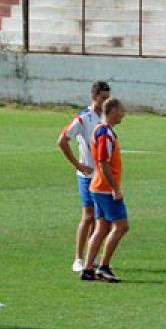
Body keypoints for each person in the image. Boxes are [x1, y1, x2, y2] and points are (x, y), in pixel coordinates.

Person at [58, 81, 111, 272]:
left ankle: (91, 257)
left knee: (102, 219)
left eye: (108, 99)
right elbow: (62, 140)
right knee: (88, 216)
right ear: (94, 96)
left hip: (102, 175)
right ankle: (78, 258)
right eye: (103, 98)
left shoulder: (106, 118)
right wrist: (77, 164)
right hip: (87, 176)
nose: (106, 102)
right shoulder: (83, 117)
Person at [81, 98, 129, 283]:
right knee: (122, 227)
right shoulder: (104, 133)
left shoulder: (103, 131)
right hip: (105, 189)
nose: (123, 114)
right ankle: (103, 267)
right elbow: (102, 162)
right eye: (121, 110)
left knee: (101, 228)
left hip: (99, 187)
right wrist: (115, 189)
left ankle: (88, 269)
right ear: (112, 110)